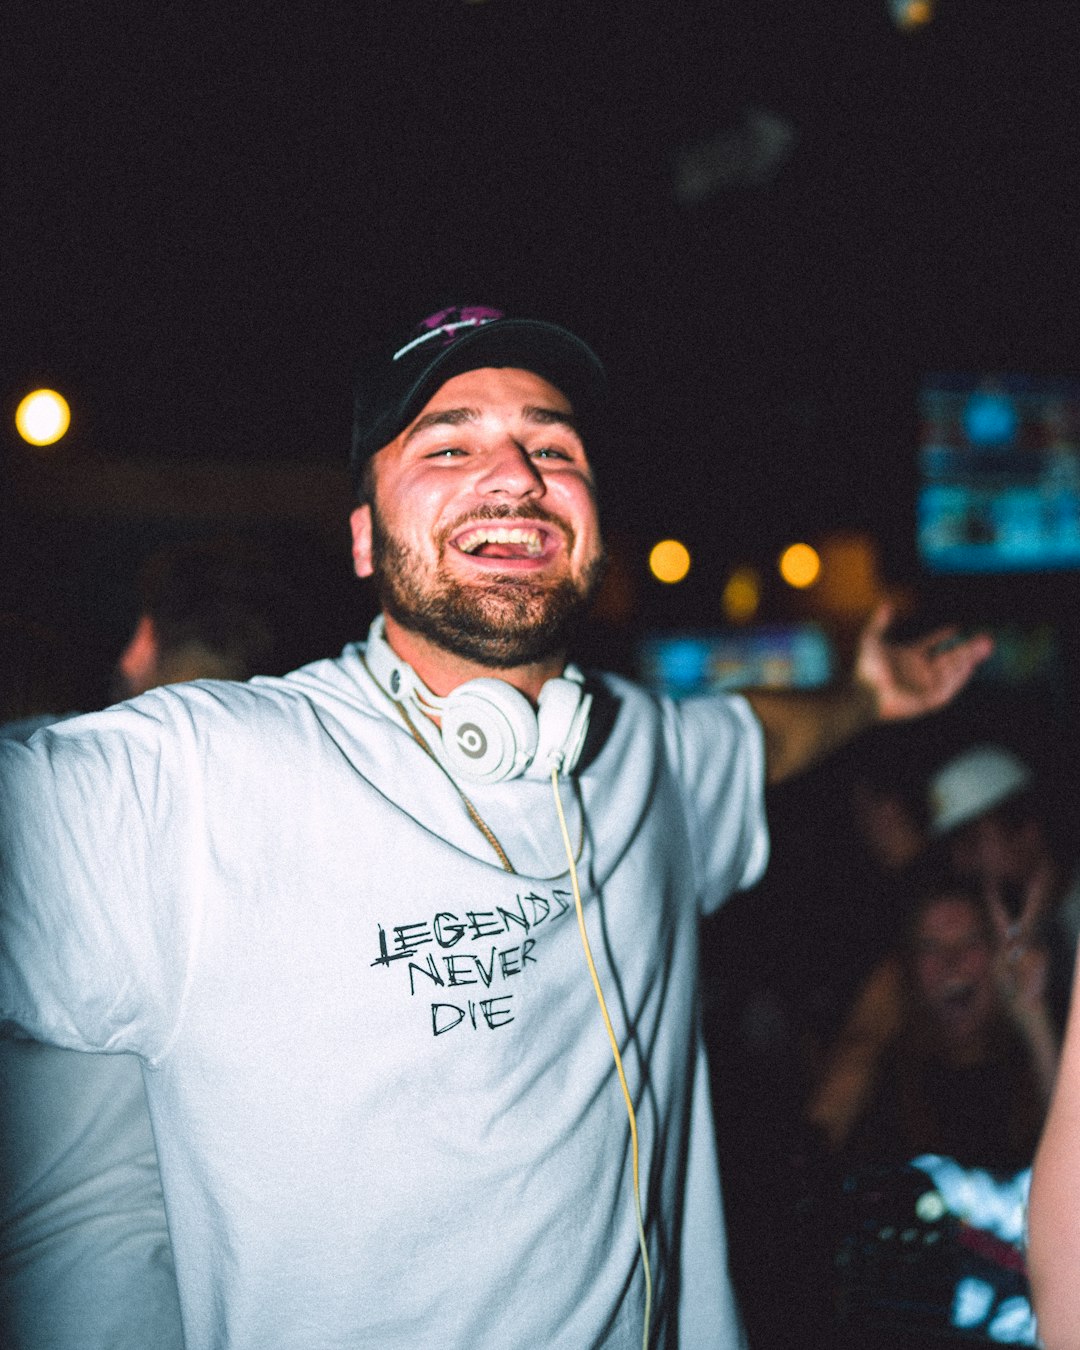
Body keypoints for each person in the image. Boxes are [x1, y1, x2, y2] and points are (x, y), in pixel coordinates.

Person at [0, 303, 990, 1349]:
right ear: (363, 535)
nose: (514, 475)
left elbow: (762, 736)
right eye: (449, 442)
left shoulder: (638, 747)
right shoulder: (200, 777)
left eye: (551, 445)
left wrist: (869, 696)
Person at [807, 866, 1057, 1171]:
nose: (951, 962)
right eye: (930, 947)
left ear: (997, 957)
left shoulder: (1034, 1060)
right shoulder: (885, 1079)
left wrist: (1034, 1019)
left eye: (969, 942)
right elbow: (812, 1152)